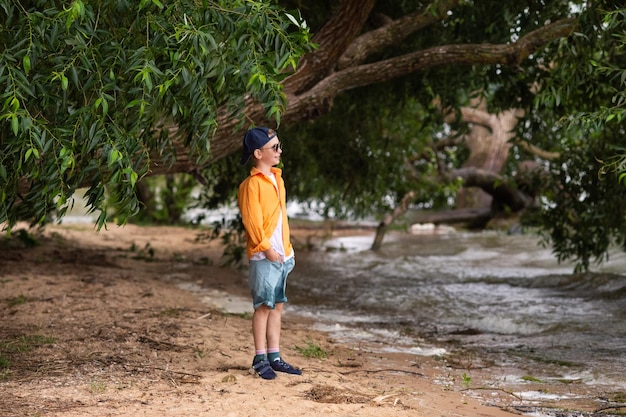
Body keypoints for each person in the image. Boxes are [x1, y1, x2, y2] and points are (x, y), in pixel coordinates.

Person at [237, 126, 302, 380]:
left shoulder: (278, 178)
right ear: (258, 153)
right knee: (263, 307)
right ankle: (259, 357)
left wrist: (287, 249)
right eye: (274, 148)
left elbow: (281, 218)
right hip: (264, 257)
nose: (279, 151)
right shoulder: (251, 185)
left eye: (279, 145)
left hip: (282, 255)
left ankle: (275, 356)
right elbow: (252, 222)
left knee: (277, 306)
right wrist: (267, 249)